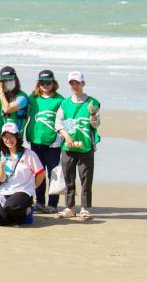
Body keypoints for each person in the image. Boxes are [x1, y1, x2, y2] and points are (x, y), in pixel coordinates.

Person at [55, 71, 101, 221]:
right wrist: (67, 137)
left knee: (86, 178)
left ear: (83, 83)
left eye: (77, 82)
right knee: (69, 178)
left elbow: (96, 124)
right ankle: (70, 208)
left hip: (86, 146)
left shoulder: (92, 102)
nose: (75, 85)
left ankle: (84, 209)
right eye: (72, 83)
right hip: (68, 147)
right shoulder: (64, 103)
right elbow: (58, 123)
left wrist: (93, 114)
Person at [26, 69, 64, 214]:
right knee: (38, 172)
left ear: (53, 83)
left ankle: (53, 204)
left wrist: (60, 137)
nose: (45, 85)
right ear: (38, 83)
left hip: (52, 142)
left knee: (53, 173)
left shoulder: (60, 100)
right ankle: (40, 202)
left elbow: (64, 120)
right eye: (42, 82)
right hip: (35, 140)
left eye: (48, 82)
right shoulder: (33, 98)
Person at [0, 123, 45, 226]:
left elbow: (41, 173)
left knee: (10, 207)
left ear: (17, 136)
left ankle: (27, 212)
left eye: (12, 136)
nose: (9, 140)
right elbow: (2, 179)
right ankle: (16, 217)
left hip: (23, 191)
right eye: (6, 137)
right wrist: (2, 166)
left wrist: (32, 187)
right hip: (5, 191)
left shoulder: (29, 154)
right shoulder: (1, 155)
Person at [0, 66, 29, 150]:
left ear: (16, 79)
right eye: (4, 80)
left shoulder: (22, 97)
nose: (8, 82)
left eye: (10, 79)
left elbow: (7, 109)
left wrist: (0, 91)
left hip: (14, 139)